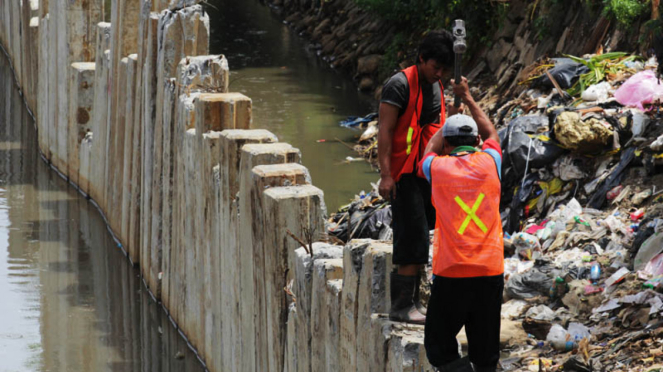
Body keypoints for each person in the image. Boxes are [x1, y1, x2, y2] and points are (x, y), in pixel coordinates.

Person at [419, 76, 504, 372]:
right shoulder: (491, 163)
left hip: (452, 271)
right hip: (490, 269)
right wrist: (467, 97)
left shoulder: (437, 168)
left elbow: (427, 152)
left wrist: (445, 123)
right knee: (486, 353)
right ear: (476, 142)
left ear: (448, 143)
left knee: (439, 348)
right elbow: (491, 131)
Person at [377, 29, 461, 324]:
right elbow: (385, 131)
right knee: (410, 237)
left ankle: (413, 301)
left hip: (426, 173)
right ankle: (402, 307)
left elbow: (438, 127)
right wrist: (386, 175)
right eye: (435, 67)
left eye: (444, 69)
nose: (439, 73)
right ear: (421, 59)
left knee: (421, 234)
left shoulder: (436, 85)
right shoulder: (399, 85)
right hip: (403, 174)